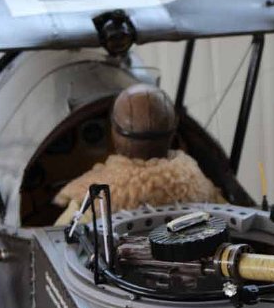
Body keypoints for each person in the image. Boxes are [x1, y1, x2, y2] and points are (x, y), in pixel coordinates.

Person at [54, 83, 224, 224]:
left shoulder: (89, 200)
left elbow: (59, 241)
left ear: (114, 133)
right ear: (173, 132)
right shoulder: (202, 189)